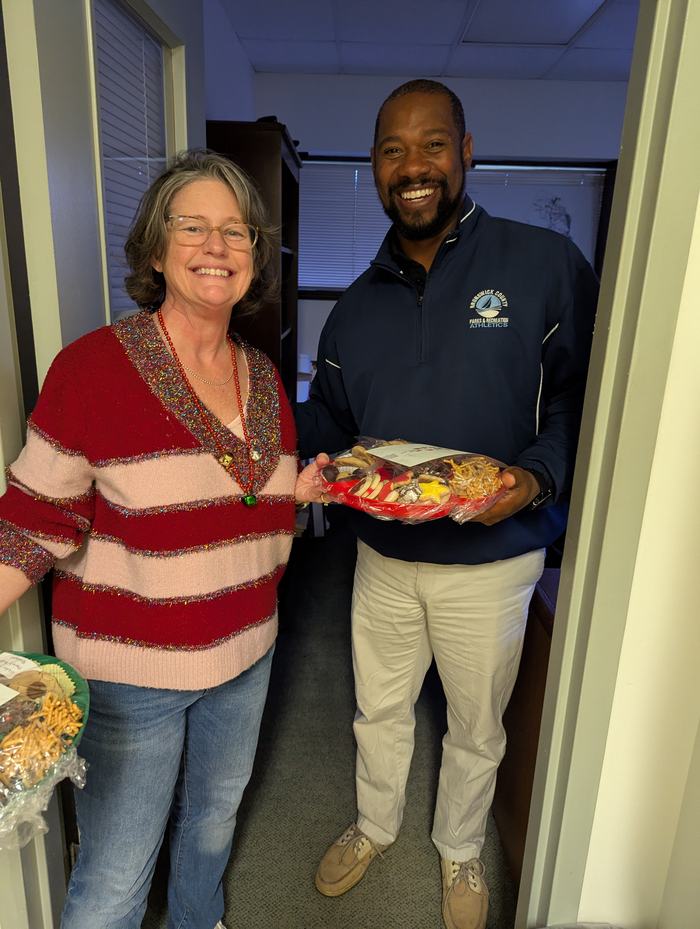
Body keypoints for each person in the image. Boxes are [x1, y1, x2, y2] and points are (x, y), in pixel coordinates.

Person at [297, 79, 598, 929]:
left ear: (467, 151)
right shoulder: (353, 309)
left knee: (476, 724)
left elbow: (587, 399)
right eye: (394, 150)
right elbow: (334, 424)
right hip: (384, 560)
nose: (414, 165)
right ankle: (374, 822)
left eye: (433, 144)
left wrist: (536, 477)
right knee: (379, 708)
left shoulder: (543, 266)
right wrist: (258, 412)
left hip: (494, 564)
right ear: (375, 167)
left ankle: (461, 848)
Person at [0, 150, 327, 929]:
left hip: (247, 651)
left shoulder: (264, 377)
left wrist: (295, 491)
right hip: (131, 677)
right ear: (155, 249)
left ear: (254, 256)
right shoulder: (91, 371)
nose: (217, 246)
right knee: (116, 873)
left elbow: (243, 496)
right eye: (193, 227)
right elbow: (28, 525)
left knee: (212, 823)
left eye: (236, 231)